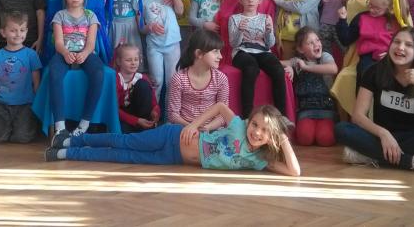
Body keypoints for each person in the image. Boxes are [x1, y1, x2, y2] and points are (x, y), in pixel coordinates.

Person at [45, 102, 302, 177]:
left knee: (123, 155)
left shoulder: (258, 160)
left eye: (264, 131)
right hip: (172, 135)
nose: (256, 132)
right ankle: (70, 140)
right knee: (124, 141)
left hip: (173, 157)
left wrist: (282, 137)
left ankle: (65, 153)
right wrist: (193, 124)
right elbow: (221, 107)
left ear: (272, 137)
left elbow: (295, 172)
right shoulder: (238, 126)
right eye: (255, 124)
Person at [334, 28, 414, 176]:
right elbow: (358, 116)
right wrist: (383, 134)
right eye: (397, 42)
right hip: (382, 138)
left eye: (409, 45)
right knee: (342, 129)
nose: (400, 47)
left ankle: (372, 156)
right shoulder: (373, 71)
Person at [48, 0, 106, 139]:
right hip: (64, 53)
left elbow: (91, 43)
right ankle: (60, 127)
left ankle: (84, 124)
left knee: (99, 73)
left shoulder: (91, 16)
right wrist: (65, 53)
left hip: (85, 53)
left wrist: (85, 53)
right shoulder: (59, 16)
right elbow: (58, 43)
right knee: (54, 73)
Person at [228, 0, 291, 127]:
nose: (251, 0)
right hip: (242, 52)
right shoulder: (235, 18)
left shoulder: (265, 18)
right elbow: (234, 44)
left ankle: (281, 117)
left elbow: (270, 44)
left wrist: (269, 31)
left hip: (262, 51)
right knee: (251, 69)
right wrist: (239, 31)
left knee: (277, 69)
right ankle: (247, 117)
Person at [0, 11, 42, 144]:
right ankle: (6, 127)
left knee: (21, 137)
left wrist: (36, 99)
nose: (18, 34)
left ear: (26, 31)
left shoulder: (31, 55)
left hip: (25, 104)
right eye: (13, 30)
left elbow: (36, 80)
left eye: (22, 30)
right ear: (3, 32)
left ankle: (17, 127)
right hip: (2, 104)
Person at [133, 0, 183, 98]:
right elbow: (141, 28)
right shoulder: (138, 0)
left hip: (172, 43)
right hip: (154, 46)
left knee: (173, 82)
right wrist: (150, 27)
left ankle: (171, 111)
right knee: (156, 82)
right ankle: (154, 110)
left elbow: (180, 11)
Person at [337, 0, 405, 85]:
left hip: (390, 58)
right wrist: (342, 20)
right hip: (368, 59)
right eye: (370, 4)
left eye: (377, 8)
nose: (372, 9)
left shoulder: (397, 22)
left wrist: (391, 54)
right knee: (366, 75)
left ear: (389, 8)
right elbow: (346, 39)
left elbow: (403, 43)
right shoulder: (362, 18)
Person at [283, 27, 338, 146]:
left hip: (325, 110)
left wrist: (306, 67)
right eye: (310, 43)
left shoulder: (325, 57)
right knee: (305, 138)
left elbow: (333, 69)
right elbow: (276, 63)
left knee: (325, 139)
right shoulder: (298, 61)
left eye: (317, 40)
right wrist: (289, 68)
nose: (316, 44)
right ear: (300, 49)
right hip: (305, 111)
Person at [167, 29, 229, 130]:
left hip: (211, 129)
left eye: (220, 51)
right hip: (184, 128)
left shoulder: (221, 79)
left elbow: (223, 114)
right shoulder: (179, 79)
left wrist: (207, 128)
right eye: (215, 52)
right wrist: (192, 127)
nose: (220, 56)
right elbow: (173, 115)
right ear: (199, 53)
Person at [114, 43, 160, 133]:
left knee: (143, 85)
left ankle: (145, 127)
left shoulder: (142, 77)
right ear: (119, 62)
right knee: (122, 131)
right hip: (122, 116)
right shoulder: (115, 79)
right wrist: (136, 121)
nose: (133, 63)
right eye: (128, 60)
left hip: (140, 114)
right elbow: (113, 108)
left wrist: (155, 112)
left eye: (136, 59)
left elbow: (154, 102)